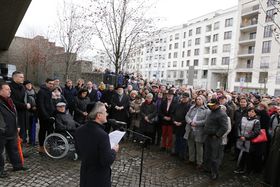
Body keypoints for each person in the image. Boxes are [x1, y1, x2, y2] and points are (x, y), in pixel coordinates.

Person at [75, 102, 119, 187]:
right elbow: (106, 161)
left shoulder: (79, 130)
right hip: (99, 177)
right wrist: (113, 150)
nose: (107, 114)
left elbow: (79, 152)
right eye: (105, 112)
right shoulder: (102, 135)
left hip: (85, 174)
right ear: (98, 115)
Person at [0, 82, 28, 178]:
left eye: (9, 89)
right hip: (2, 132)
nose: (10, 91)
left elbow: (14, 115)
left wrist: (17, 125)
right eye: (7, 89)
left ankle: (17, 166)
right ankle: (0, 171)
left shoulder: (10, 100)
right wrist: (2, 128)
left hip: (12, 130)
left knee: (14, 149)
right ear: (0, 90)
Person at [204, 98, 228, 180]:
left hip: (215, 138)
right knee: (208, 154)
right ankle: (208, 169)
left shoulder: (222, 114)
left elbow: (225, 127)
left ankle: (215, 173)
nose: (210, 107)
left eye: (212, 105)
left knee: (215, 156)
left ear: (217, 104)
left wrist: (217, 135)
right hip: (208, 136)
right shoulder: (212, 111)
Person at [184, 95, 208, 168]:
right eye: (197, 99)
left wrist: (196, 123)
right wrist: (190, 122)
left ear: (203, 100)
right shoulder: (192, 107)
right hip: (190, 129)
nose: (198, 100)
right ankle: (191, 159)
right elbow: (186, 116)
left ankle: (199, 162)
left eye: (200, 99)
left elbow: (206, 121)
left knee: (199, 147)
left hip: (199, 131)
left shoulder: (206, 110)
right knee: (190, 145)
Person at [9, 71, 31, 144]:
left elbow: (26, 98)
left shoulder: (22, 87)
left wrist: (29, 103)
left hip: (24, 114)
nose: (23, 78)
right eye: (21, 77)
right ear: (15, 77)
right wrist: (25, 106)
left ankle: (20, 152)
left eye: (23, 77)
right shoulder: (9, 87)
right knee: (15, 135)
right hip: (15, 114)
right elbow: (11, 101)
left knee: (23, 134)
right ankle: (15, 153)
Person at [37, 78, 55, 154]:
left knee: (50, 130)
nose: (51, 85)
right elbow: (41, 105)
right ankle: (41, 147)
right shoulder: (41, 91)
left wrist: (53, 112)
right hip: (43, 116)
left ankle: (48, 145)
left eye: (52, 84)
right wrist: (45, 115)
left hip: (50, 115)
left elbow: (50, 103)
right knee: (43, 131)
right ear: (46, 83)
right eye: (50, 83)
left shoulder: (49, 91)